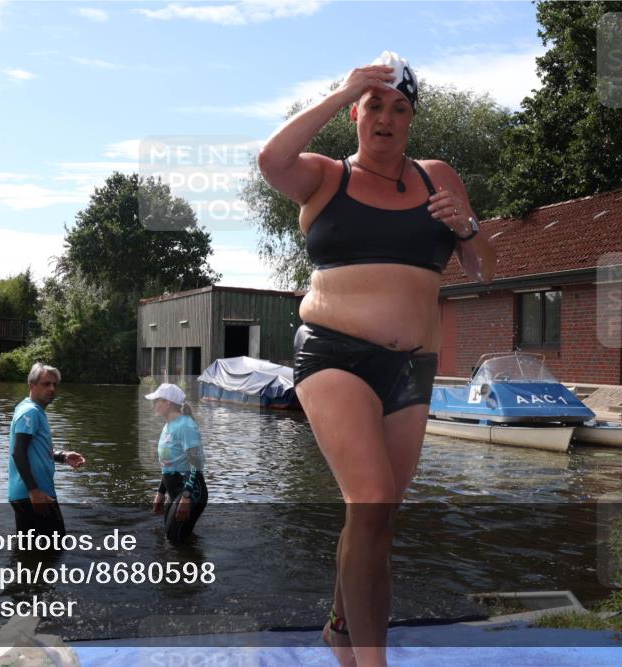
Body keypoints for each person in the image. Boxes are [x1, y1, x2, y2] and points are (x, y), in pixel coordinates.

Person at [258, 51, 496, 666]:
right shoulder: (324, 175)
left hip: (412, 368)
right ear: (356, 114)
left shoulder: (437, 176)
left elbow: (481, 267)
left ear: (411, 120)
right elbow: (270, 161)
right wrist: (343, 90)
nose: (386, 118)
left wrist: (467, 228)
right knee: (368, 499)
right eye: (374, 106)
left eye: (399, 108)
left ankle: (341, 629)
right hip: (333, 354)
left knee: (378, 518)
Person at [8, 363, 85, 536]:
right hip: (35, 494)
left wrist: (62, 456)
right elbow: (18, 452)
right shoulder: (30, 412)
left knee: (31, 553)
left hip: (28, 494)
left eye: (54, 384)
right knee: (54, 549)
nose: (51, 388)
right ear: (32, 386)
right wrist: (34, 491)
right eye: (46, 384)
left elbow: (34, 449)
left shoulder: (32, 410)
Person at [145, 383, 208, 543]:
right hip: (174, 492)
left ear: (168, 403)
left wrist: (186, 496)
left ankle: (191, 566)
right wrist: (161, 492)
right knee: (173, 539)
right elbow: (169, 465)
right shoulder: (168, 426)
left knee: (175, 541)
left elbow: (196, 462)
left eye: (156, 400)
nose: (153, 405)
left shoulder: (186, 426)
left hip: (190, 491)